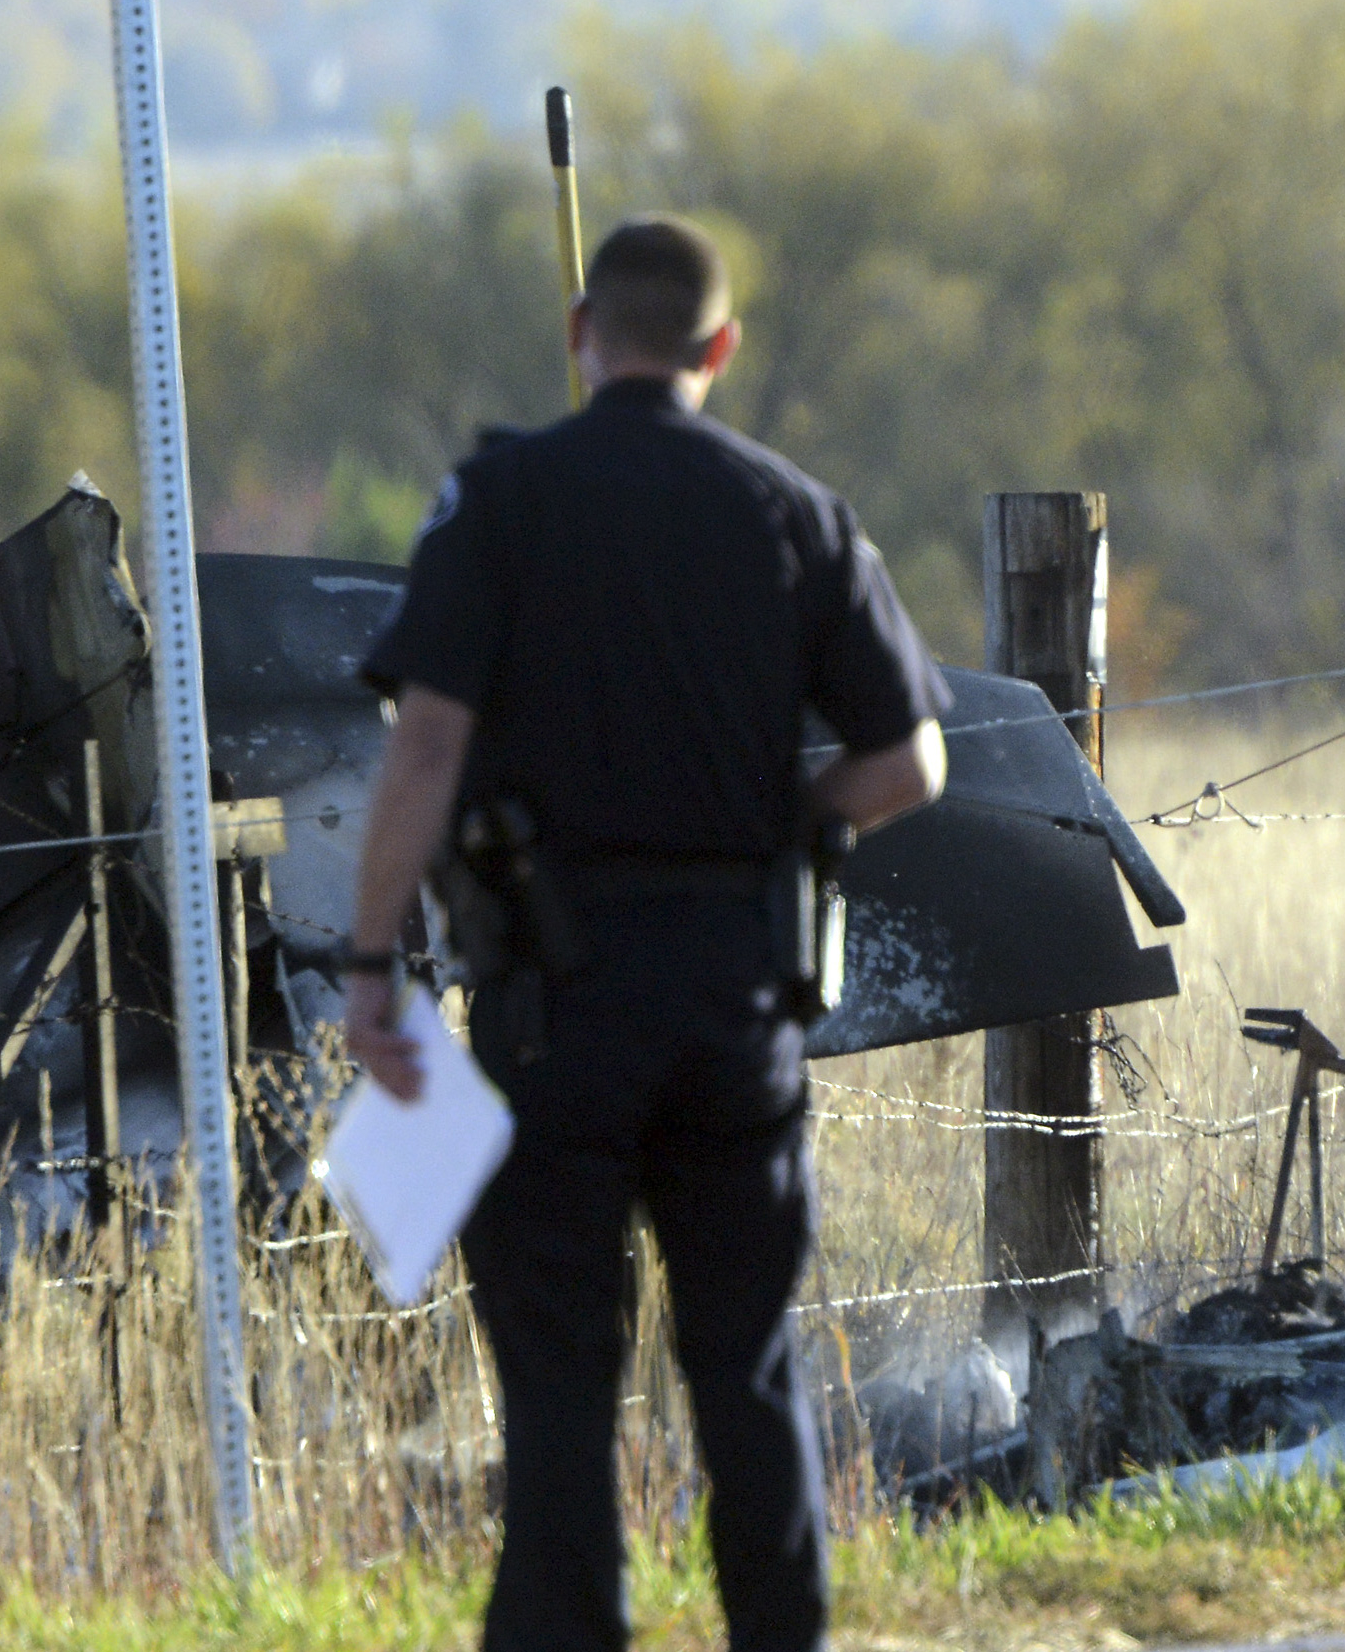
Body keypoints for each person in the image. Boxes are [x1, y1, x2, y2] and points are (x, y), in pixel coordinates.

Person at [339, 215, 951, 1652]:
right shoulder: (795, 509)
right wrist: (786, 811)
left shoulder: (498, 499)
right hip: (740, 992)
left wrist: (373, 966)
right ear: (719, 349)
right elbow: (911, 759)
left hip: (555, 994)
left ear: (580, 331)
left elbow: (425, 743)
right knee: (744, 1364)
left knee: (560, 1377)